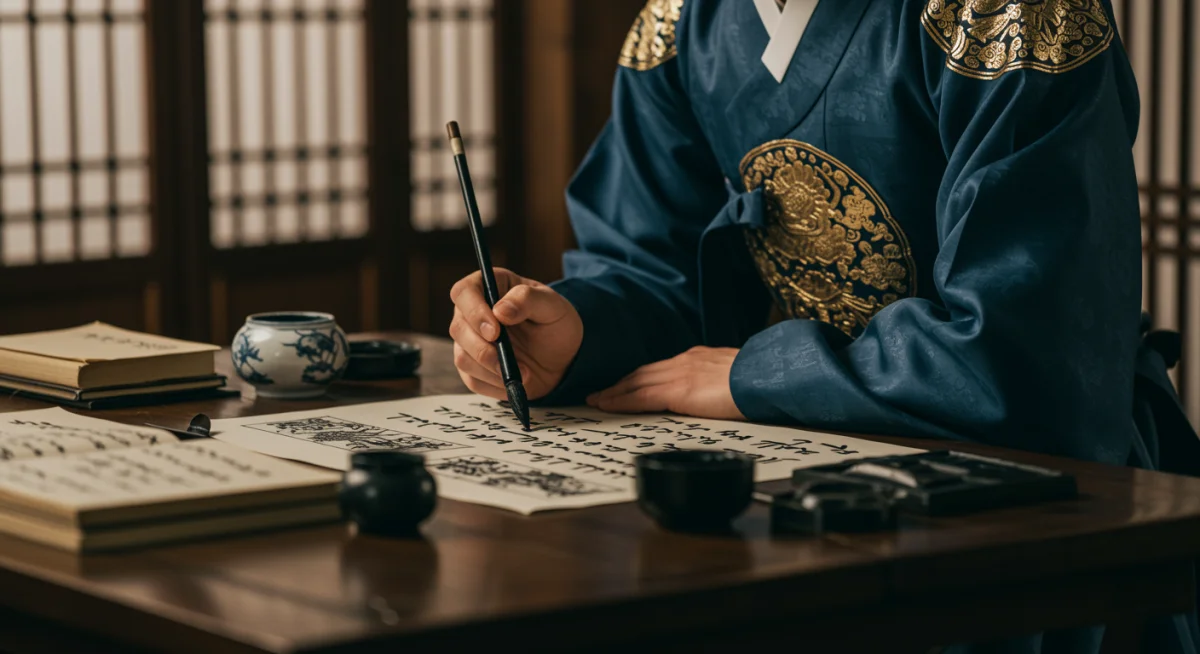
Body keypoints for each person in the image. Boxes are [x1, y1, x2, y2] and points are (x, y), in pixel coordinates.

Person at [449, 1, 1197, 651]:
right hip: (802, 463)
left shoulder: (1004, 11)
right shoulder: (682, 23)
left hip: (1019, 487)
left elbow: (1027, 349)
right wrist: (576, 333)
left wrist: (754, 374)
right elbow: (655, 269)